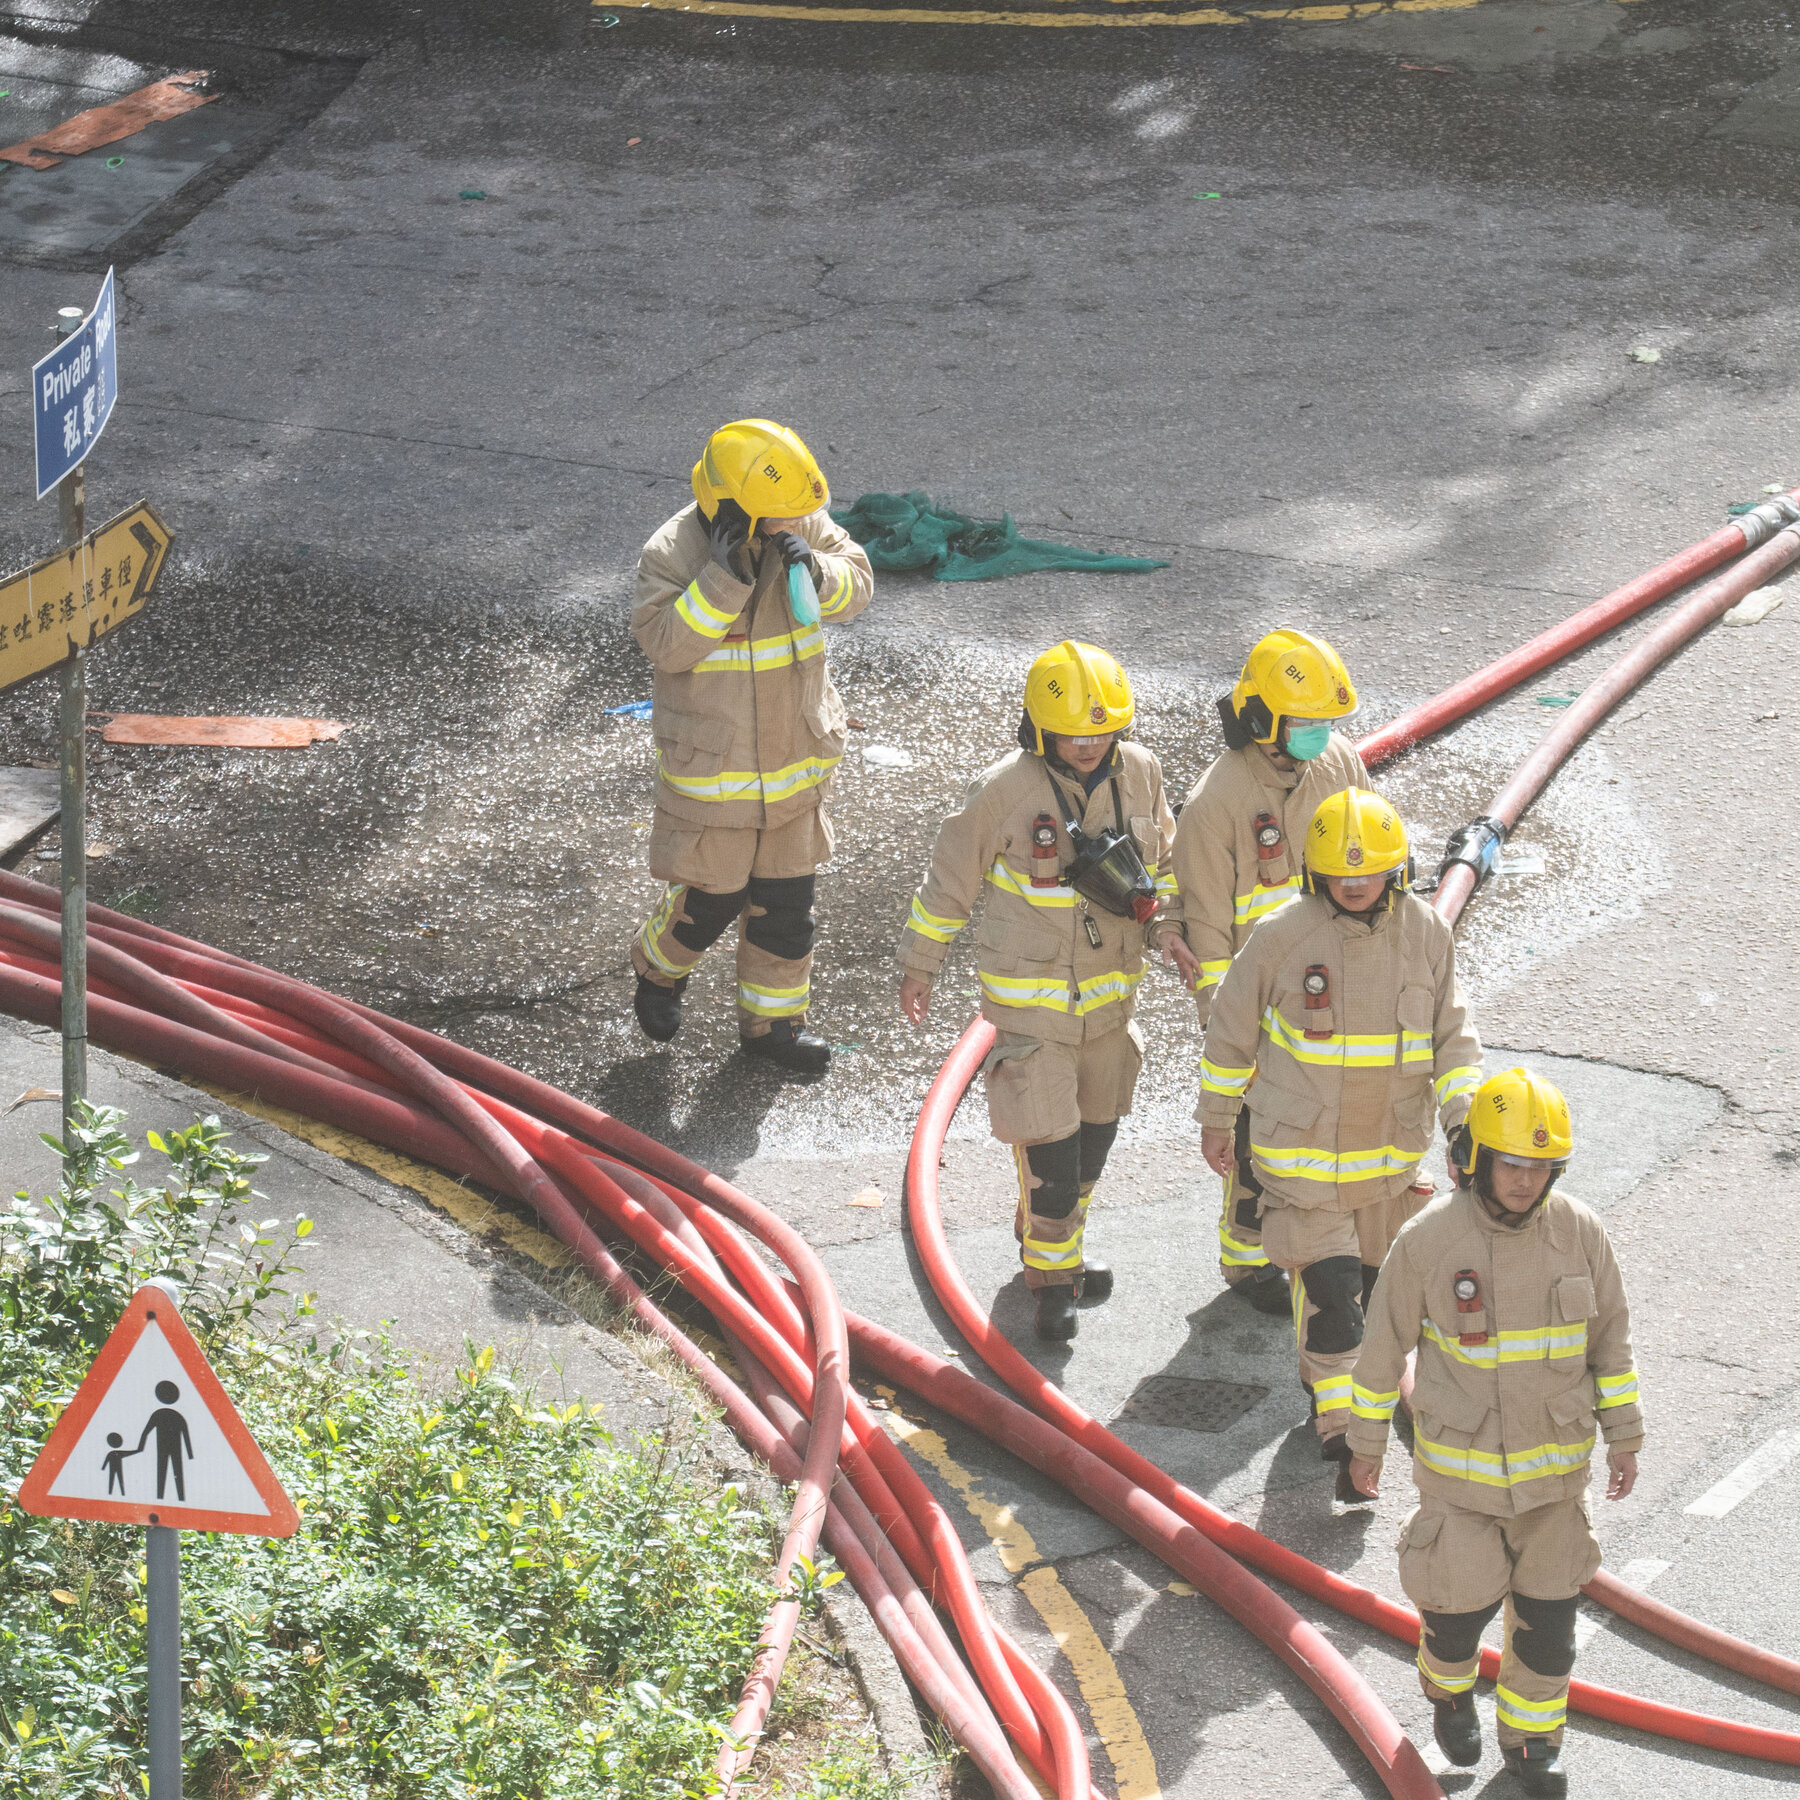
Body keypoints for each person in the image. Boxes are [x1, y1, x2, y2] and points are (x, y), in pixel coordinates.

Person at [1346, 1068, 1642, 1798]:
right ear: (1474, 1157)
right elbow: (1381, 1350)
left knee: (1549, 1629)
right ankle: (1448, 1689)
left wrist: (1624, 1436)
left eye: (1541, 1166)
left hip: (1555, 1489)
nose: (1525, 1180)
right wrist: (1365, 1444)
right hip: (1462, 1485)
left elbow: (1611, 1343)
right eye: (1511, 1163)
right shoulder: (1428, 1241)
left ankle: (1532, 1747)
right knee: (1456, 1617)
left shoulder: (1580, 1234)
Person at [1195, 785, 1481, 1495]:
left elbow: (1452, 1041)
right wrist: (1216, 1116)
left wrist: (1464, 1125)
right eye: (1339, 874)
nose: (1355, 885)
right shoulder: (1283, 936)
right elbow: (1231, 1029)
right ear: (1314, 873)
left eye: (1371, 872)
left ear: (1397, 869)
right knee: (1331, 1292)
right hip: (1303, 1159)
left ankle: (1337, 1397)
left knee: (1372, 1295)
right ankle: (1341, 1426)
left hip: (1387, 1163)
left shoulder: (1425, 935)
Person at [897, 641, 1178, 1342]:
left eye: (1102, 731)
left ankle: (1057, 1242)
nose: (1088, 745)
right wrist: (920, 964)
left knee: (1093, 1144)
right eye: (1072, 733)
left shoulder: (1141, 774)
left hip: (1111, 1006)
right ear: (1038, 728)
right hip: (1032, 1009)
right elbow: (949, 882)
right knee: (1051, 1154)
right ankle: (1053, 1281)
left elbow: (1166, 866)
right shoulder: (1004, 791)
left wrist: (1168, 928)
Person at [629, 419, 874, 1075]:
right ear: (732, 509)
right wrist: (723, 578)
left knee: (787, 912)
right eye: (778, 516)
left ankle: (773, 1029)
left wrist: (817, 570)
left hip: (795, 766)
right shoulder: (672, 552)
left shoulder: (799, 519)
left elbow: (858, 584)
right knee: (711, 899)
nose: (794, 522)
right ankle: (658, 968)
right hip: (718, 774)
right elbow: (665, 645)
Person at [1158, 627, 1364, 1314]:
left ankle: (1326, 1245)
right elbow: (1209, 935)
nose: (1318, 734)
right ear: (1261, 718)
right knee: (1256, 1139)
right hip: (1261, 1008)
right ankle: (1247, 1262)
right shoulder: (1216, 803)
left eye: (1324, 721)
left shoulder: (1336, 763)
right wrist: (1229, 1040)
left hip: (1334, 993)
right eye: (1304, 721)